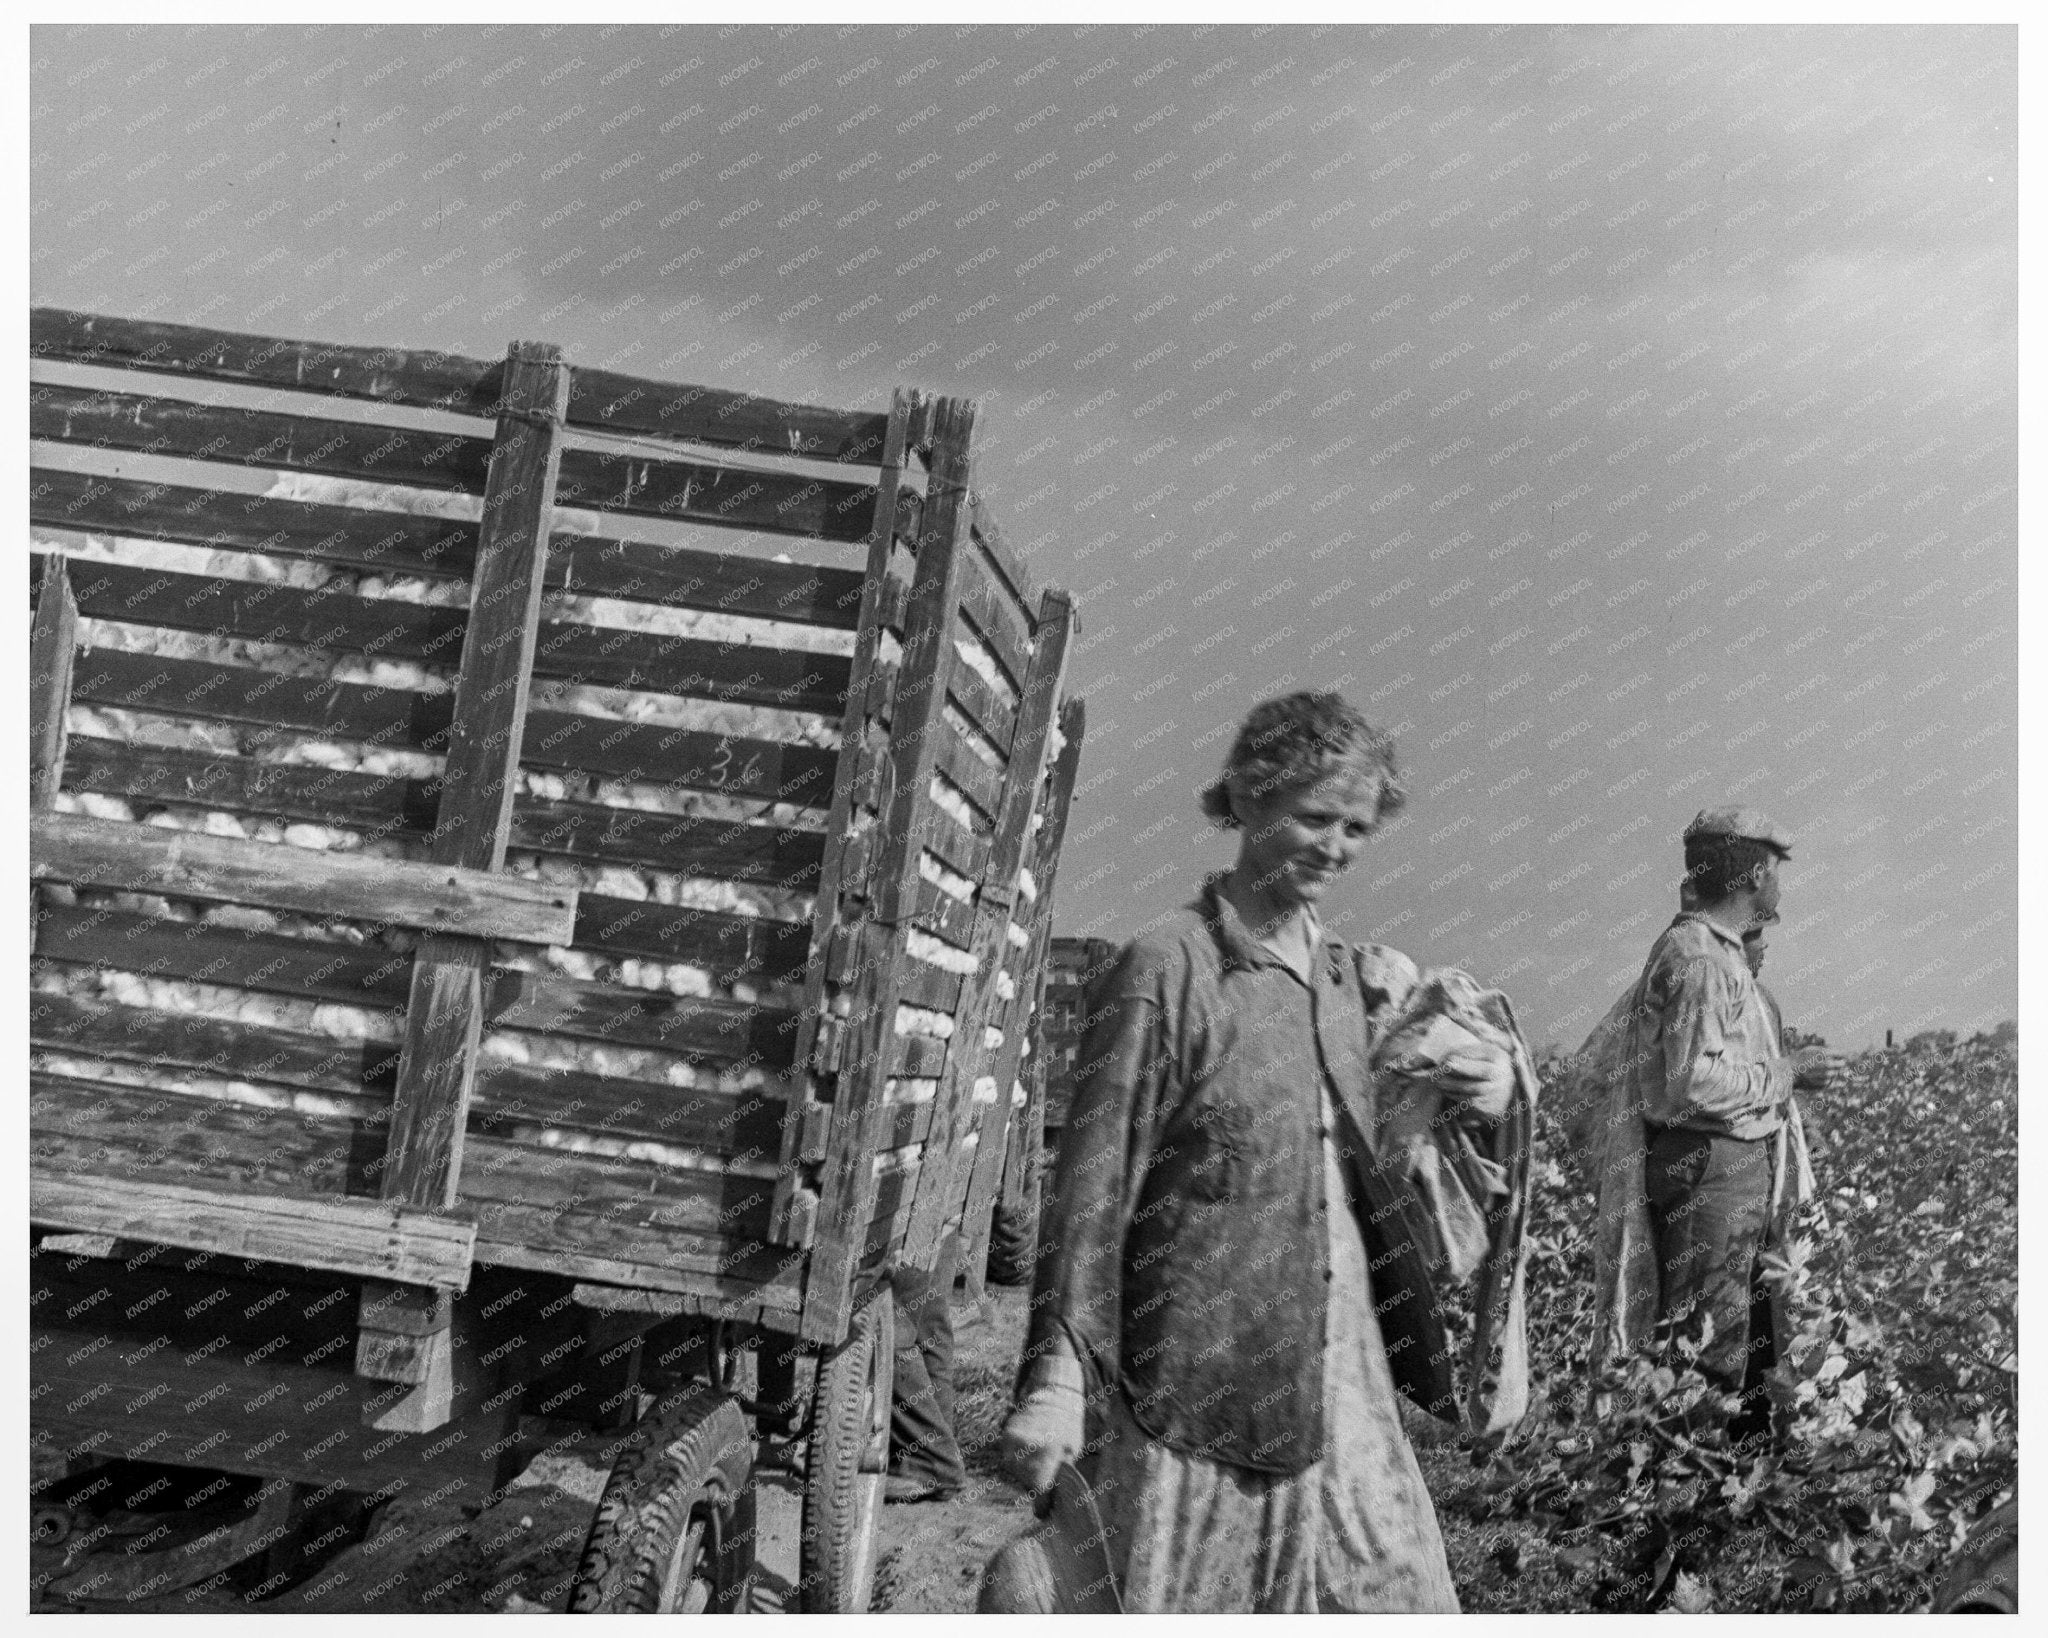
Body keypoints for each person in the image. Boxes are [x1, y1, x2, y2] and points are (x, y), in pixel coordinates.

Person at [997, 690, 1527, 1613]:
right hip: (1196, 1373)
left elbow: (1378, 1160)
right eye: (1312, 817)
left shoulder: (1341, 981)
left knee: (1400, 1598)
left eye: (1356, 827)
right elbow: (1091, 1188)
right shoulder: (1170, 967)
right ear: (1245, 801)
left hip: (1338, 1376)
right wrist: (1057, 1377)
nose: (1334, 846)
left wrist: (1487, 1095)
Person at [1586, 808, 1839, 1443]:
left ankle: (1733, 1472)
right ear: (1754, 874)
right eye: (1775, 871)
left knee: (1740, 1325)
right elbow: (1692, 1083)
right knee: (1706, 1336)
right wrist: (1785, 1074)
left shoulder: (1716, 956)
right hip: (1708, 1168)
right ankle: (1693, 1489)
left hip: (1725, 1167)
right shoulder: (1699, 960)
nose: (1780, 885)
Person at [886, 1231, 968, 1503]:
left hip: (887, 1238)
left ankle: (929, 1462)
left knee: (888, 1327)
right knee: (927, 1320)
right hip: (922, 1232)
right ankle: (939, 1451)